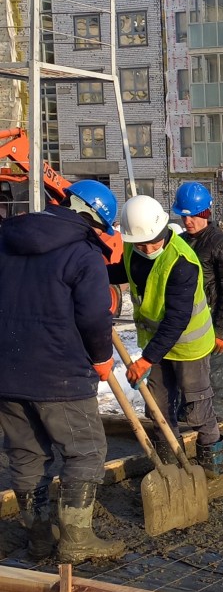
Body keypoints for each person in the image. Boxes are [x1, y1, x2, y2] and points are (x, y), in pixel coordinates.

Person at [0, 179, 125, 563]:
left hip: (6, 371)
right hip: (59, 375)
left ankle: (38, 538)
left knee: (25, 454)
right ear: (94, 219)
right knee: (86, 450)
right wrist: (102, 356)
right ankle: (77, 540)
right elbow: (92, 316)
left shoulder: (7, 237)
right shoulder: (82, 254)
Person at [108, 195, 223, 498]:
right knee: (158, 408)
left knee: (198, 409)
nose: (147, 249)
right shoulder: (133, 251)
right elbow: (116, 273)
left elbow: (176, 320)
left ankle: (212, 471)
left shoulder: (182, 262)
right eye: (140, 244)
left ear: (163, 231)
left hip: (188, 345)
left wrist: (145, 361)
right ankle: (172, 471)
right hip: (155, 345)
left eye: (152, 242)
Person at [171, 182, 223, 427]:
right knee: (185, 380)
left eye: (193, 216)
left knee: (217, 377)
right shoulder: (179, 242)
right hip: (184, 323)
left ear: (205, 214)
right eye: (184, 216)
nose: (188, 221)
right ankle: (189, 425)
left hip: (211, 324)